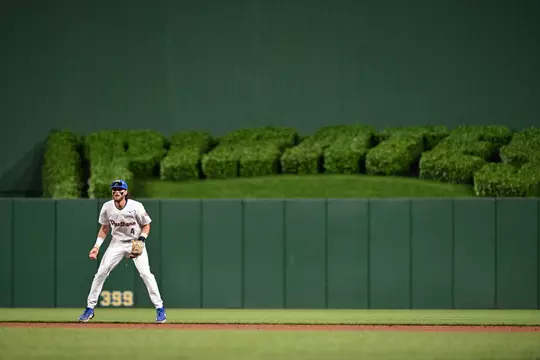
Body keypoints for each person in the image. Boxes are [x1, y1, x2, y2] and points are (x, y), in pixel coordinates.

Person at [78, 179, 166, 323]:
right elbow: (105, 228)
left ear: (125, 192)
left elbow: (146, 225)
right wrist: (96, 247)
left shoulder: (136, 206)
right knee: (101, 272)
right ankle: (89, 308)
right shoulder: (107, 207)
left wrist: (141, 242)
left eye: (119, 189)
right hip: (117, 243)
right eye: (114, 189)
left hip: (135, 242)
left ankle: (160, 308)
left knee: (145, 273)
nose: (116, 191)